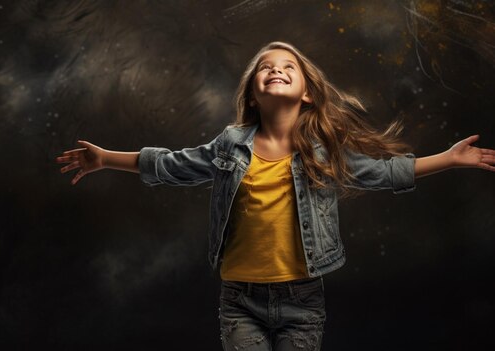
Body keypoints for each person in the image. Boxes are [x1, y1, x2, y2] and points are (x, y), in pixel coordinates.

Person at [56, 41, 495, 351]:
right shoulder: (230, 145)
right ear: (253, 92)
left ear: (305, 93)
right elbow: (173, 165)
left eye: (287, 65)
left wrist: (449, 159)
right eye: (266, 67)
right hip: (238, 300)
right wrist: (106, 159)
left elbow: (382, 173)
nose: (275, 69)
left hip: (302, 299)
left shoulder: (322, 151)